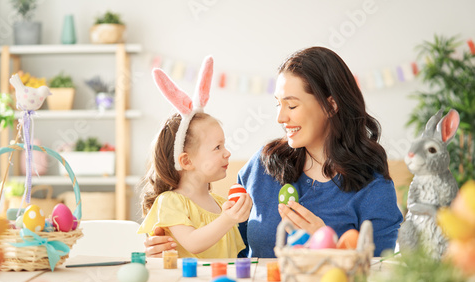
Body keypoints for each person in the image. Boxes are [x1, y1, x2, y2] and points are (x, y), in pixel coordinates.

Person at [144, 47, 403, 258]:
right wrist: (169, 246)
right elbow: (229, 245)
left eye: (291, 105)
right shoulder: (263, 166)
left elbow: (385, 272)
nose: (280, 117)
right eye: (278, 104)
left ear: (331, 105)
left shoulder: (371, 183)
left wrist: (329, 244)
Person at [137, 56, 252, 258]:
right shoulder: (171, 202)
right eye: (217, 147)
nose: (227, 153)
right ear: (186, 161)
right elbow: (193, 243)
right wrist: (229, 218)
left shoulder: (219, 202)